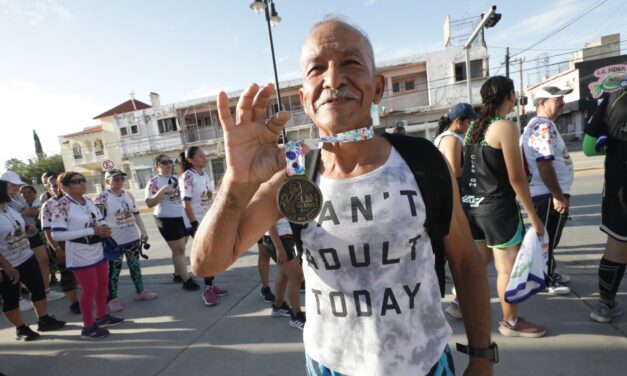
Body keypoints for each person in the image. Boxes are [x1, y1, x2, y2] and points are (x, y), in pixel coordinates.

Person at [191, 18, 493, 375]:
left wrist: (481, 357)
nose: (333, 80)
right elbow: (206, 264)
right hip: (330, 365)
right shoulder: (293, 176)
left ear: (377, 87)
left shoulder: (423, 161)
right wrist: (236, 182)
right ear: (304, 98)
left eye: (350, 63)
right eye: (317, 68)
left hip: (423, 362)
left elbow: (464, 261)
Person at [462, 76, 547, 338]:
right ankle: (510, 322)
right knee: (506, 270)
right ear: (510, 95)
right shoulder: (504, 127)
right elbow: (516, 177)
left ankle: (460, 304)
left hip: (473, 207)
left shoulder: (473, 126)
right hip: (498, 210)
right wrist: (534, 216)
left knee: (478, 265)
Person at [51, 171, 124, 340]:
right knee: (89, 288)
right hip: (79, 252)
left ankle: (102, 316)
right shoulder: (61, 205)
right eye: (76, 181)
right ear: (64, 187)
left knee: (103, 285)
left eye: (83, 180)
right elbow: (57, 235)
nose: (82, 183)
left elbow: (99, 218)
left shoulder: (88, 201)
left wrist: (104, 227)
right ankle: (88, 327)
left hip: (97, 248)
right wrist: (91, 230)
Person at [521, 86, 575, 295]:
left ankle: (548, 272)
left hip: (546, 192)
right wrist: (558, 195)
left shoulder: (540, 125)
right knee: (548, 239)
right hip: (548, 193)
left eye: (562, 99)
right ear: (542, 103)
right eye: (557, 99)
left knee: (547, 237)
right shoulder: (543, 126)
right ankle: (546, 279)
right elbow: (544, 164)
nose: (562, 102)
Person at [0, 179, 66, 341]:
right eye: (9, 188)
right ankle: (20, 328)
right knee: (11, 298)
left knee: (37, 288)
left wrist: (28, 229)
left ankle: (44, 319)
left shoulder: (8, 208)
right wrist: (7, 267)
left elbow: (16, 228)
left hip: (26, 256)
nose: (14, 191)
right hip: (7, 265)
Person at [584, 85, 627, 323]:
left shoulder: (613, 98)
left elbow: (589, 148)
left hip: (618, 185)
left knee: (617, 244)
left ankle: (605, 303)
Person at [433, 103, 477, 320]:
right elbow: (453, 168)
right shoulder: (451, 139)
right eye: (469, 122)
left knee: (445, 254)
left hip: (448, 202)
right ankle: (456, 302)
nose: (470, 127)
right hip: (453, 201)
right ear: (459, 121)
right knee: (455, 253)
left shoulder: (444, 137)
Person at [95, 169, 157, 313]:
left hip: (132, 238)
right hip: (114, 241)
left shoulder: (128, 195)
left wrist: (143, 231)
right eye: (115, 179)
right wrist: (104, 234)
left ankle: (140, 291)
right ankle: (113, 298)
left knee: (135, 266)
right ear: (107, 181)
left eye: (122, 179)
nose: (120, 181)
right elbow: (98, 219)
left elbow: (136, 214)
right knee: (114, 271)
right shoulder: (102, 198)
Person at [179, 147, 227, 305]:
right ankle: (207, 290)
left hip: (208, 220)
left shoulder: (205, 176)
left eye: (205, 155)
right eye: (201, 156)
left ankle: (211, 285)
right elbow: (186, 202)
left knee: (212, 254)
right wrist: (194, 224)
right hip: (196, 222)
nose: (204, 158)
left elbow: (209, 199)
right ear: (190, 160)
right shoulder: (187, 177)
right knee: (206, 255)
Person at [145, 155, 200, 291]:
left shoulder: (178, 177)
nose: (169, 164)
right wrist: (162, 191)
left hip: (183, 217)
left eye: (171, 162)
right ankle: (186, 280)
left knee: (180, 249)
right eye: (164, 162)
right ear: (157, 165)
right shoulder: (154, 181)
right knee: (179, 250)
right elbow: (149, 203)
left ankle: (177, 274)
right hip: (166, 218)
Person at [40, 174, 80, 314]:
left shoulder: (76, 200)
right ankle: (74, 303)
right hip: (60, 245)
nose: (57, 189)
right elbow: (48, 230)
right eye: (53, 186)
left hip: (79, 243)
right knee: (67, 275)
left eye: (58, 185)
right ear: (49, 189)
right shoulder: (48, 205)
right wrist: (57, 248)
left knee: (83, 273)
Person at [260, 219, 305, 330]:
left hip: (284, 236)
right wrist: (279, 247)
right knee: (297, 276)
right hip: (277, 238)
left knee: (284, 273)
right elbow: (269, 221)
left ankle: (278, 306)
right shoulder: (271, 200)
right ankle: (296, 316)